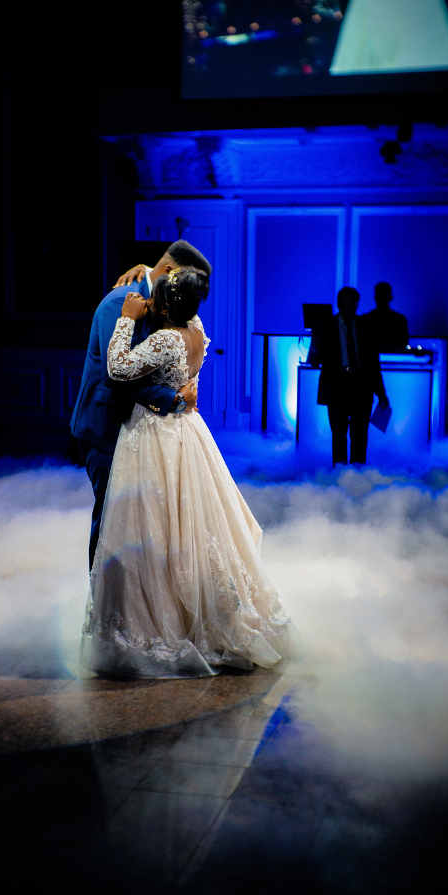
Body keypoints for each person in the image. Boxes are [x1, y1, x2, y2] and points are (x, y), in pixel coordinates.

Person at [81, 266, 290, 679]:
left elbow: (119, 368)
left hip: (155, 436)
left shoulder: (165, 339)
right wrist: (145, 272)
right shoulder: (196, 330)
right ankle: (196, 616)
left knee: (151, 528)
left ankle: (159, 624)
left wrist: (126, 318)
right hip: (188, 433)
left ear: (167, 304)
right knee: (191, 526)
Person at [71, 241, 211, 571]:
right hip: (110, 426)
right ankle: (106, 609)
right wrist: (176, 400)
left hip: (148, 431)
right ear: (170, 274)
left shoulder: (174, 310)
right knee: (111, 521)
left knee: (145, 523)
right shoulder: (121, 302)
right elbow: (119, 376)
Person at [309, 286, 389, 466]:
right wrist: (315, 343)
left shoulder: (365, 326)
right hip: (337, 385)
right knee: (339, 434)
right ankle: (340, 474)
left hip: (361, 385)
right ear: (339, 304)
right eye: (348, 303)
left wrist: (381, 393)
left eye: (353, 303)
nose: (351, 307)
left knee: (359, 435)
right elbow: (316, 358)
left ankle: (357, 475)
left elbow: (373, 363)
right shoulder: (327, 326)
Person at [362, 281, 409, 353]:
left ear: (375, 297)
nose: (382, 298)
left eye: (383, 295)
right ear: (391, 297)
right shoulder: (400, 320)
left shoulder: (366, 319)